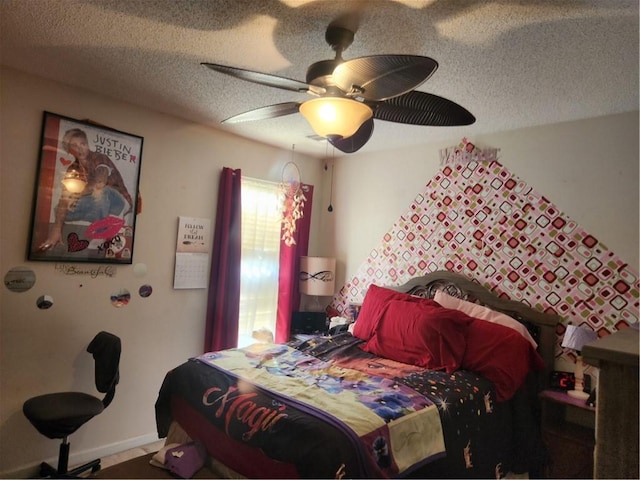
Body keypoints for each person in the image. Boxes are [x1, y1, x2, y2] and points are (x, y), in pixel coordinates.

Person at [39, 128, 133, 251]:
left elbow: (100, 181)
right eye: (74, 146)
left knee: (101, 191)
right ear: (69, 150)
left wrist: (77, 195)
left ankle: (102, 231)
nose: (80, 149)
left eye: (83, 144)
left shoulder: (99, 157)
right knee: (60, 209)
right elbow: (65, 198)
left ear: (88, 145)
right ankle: (106, 219)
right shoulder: (73, 169)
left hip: (118, 200)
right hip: (97, 202)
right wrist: (56, 229)